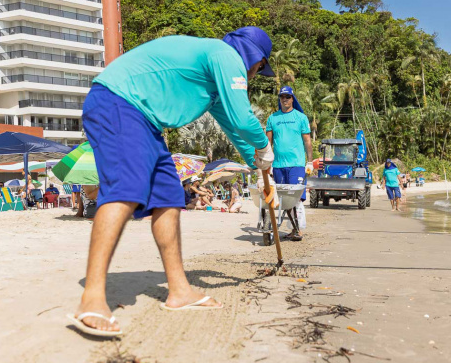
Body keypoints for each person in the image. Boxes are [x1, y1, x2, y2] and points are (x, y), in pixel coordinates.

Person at [69, 26, 276, 337]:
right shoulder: (226, 57)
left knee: (168, 194)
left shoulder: (214, 77)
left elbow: (234, 127)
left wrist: (259, 166)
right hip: (119, 102)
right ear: (256, 59)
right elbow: (243, 118)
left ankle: (179, 291)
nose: (256, 75)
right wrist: (264, 146)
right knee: (126, 189)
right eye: (260, 69)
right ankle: (92, 298)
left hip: (145, 119)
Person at [265, 85, 312, 241]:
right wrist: (266, 162)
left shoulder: (301, 118)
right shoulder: (273, 118)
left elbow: (307, 141)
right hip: (278, 165)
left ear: (293, 99)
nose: (285, 99)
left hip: (297, 164)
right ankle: (292, 228)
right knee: (283, 199)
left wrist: (310, 161)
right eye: (282, 97)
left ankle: (298, 229)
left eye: (288, 97)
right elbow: (268, 142)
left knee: (295, 198)